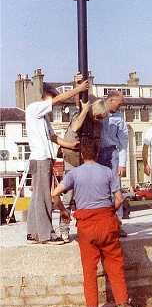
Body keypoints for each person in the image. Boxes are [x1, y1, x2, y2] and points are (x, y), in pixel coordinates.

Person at [52, 139, 132, 307]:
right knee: (114, 263)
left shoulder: (74, 174)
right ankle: (123, 303)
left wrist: (64, 212)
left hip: (86, 224)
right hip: (107, 221)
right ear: (96, 153)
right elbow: (119, 198)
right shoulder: (108, 172)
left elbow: (54, 194)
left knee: (89, 267)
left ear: (81, 154)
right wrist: (111, 211)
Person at [25, 78, 89, 245]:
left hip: (44, 158)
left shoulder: (43, 118)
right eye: (51, 99)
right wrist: (78, 88)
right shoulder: (34, 108)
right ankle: (46, 234)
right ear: (46, 96)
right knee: (44, 197)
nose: (53, 106)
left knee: (37, 197)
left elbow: (54, 138)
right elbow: (58, 99)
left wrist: (70, 145)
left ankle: (33, 232)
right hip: (40, 159)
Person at [59, 96, 108, 243]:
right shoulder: (79, 117)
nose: (99, 119)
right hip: (72, 161)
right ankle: (64, 230)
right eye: (98, 116)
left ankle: (84, 229)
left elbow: (97, 143)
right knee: (68, 198)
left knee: (85, 199)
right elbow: (74, 128)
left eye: (101, 117)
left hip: (87, 162)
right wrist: (85, 110)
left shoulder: (98, 125)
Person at [98, 90, 128, 236]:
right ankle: (103, 225)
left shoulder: (119, 117)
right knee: (100, 189)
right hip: (96, 154)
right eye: (120, 103)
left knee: (115, 189)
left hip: (112, 153)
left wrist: (122, 163)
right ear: (111, 100)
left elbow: (123, 141)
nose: (121, 106)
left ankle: (117, 224)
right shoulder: (97, 109)